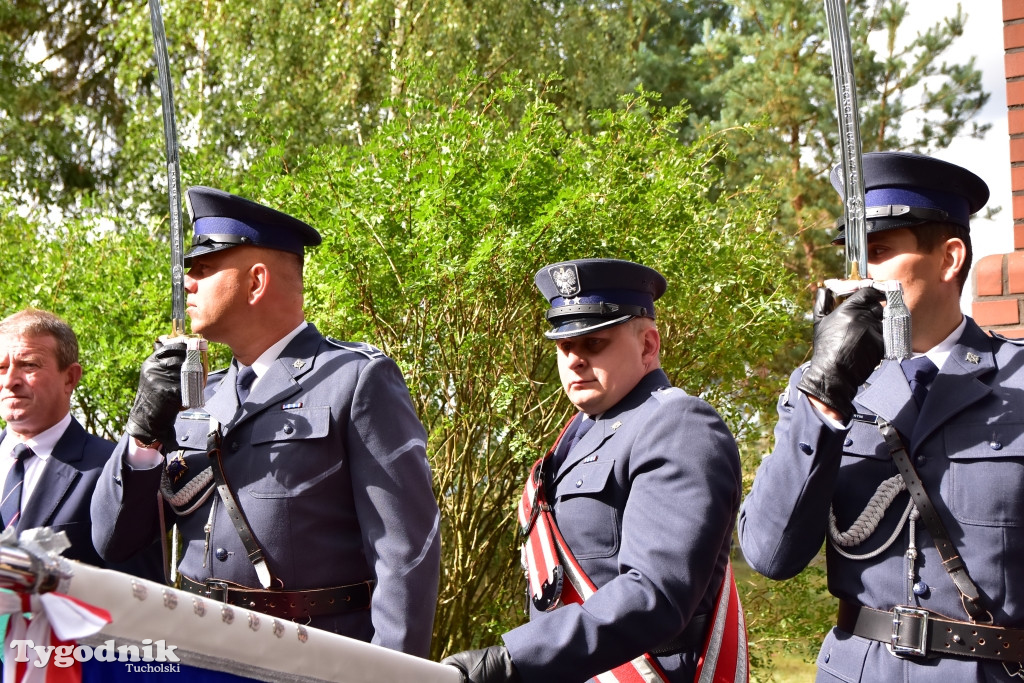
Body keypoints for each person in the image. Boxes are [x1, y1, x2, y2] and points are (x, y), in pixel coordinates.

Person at [91, 186, 441, 656]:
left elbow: (405, 555)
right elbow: (113, 541)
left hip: (312, 659)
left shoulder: (355, 379)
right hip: (201, 658)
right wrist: (141, 435)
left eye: (203, 269)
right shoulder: (199, 395)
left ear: (256, 282)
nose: (187, 284)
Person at [739, 152, 1024, 680]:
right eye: (852, 260)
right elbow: (769, 554)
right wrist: (825, 396)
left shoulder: (1019, 381)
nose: (859, 280)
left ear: (949, 258)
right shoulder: (821, 386)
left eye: (878, 252)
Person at [442, 258, 745, 683]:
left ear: (648, 345)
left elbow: (654, 593)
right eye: (564, 347)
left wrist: (517, 659)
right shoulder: (581, 434)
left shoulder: (679, 425)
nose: (575, 360)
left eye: (594, 344)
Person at [0, 308, 164, 578]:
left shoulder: (115, 470)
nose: (10, 381)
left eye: (29, 365)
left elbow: (138, 597)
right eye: (1, 367)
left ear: (70, 378)